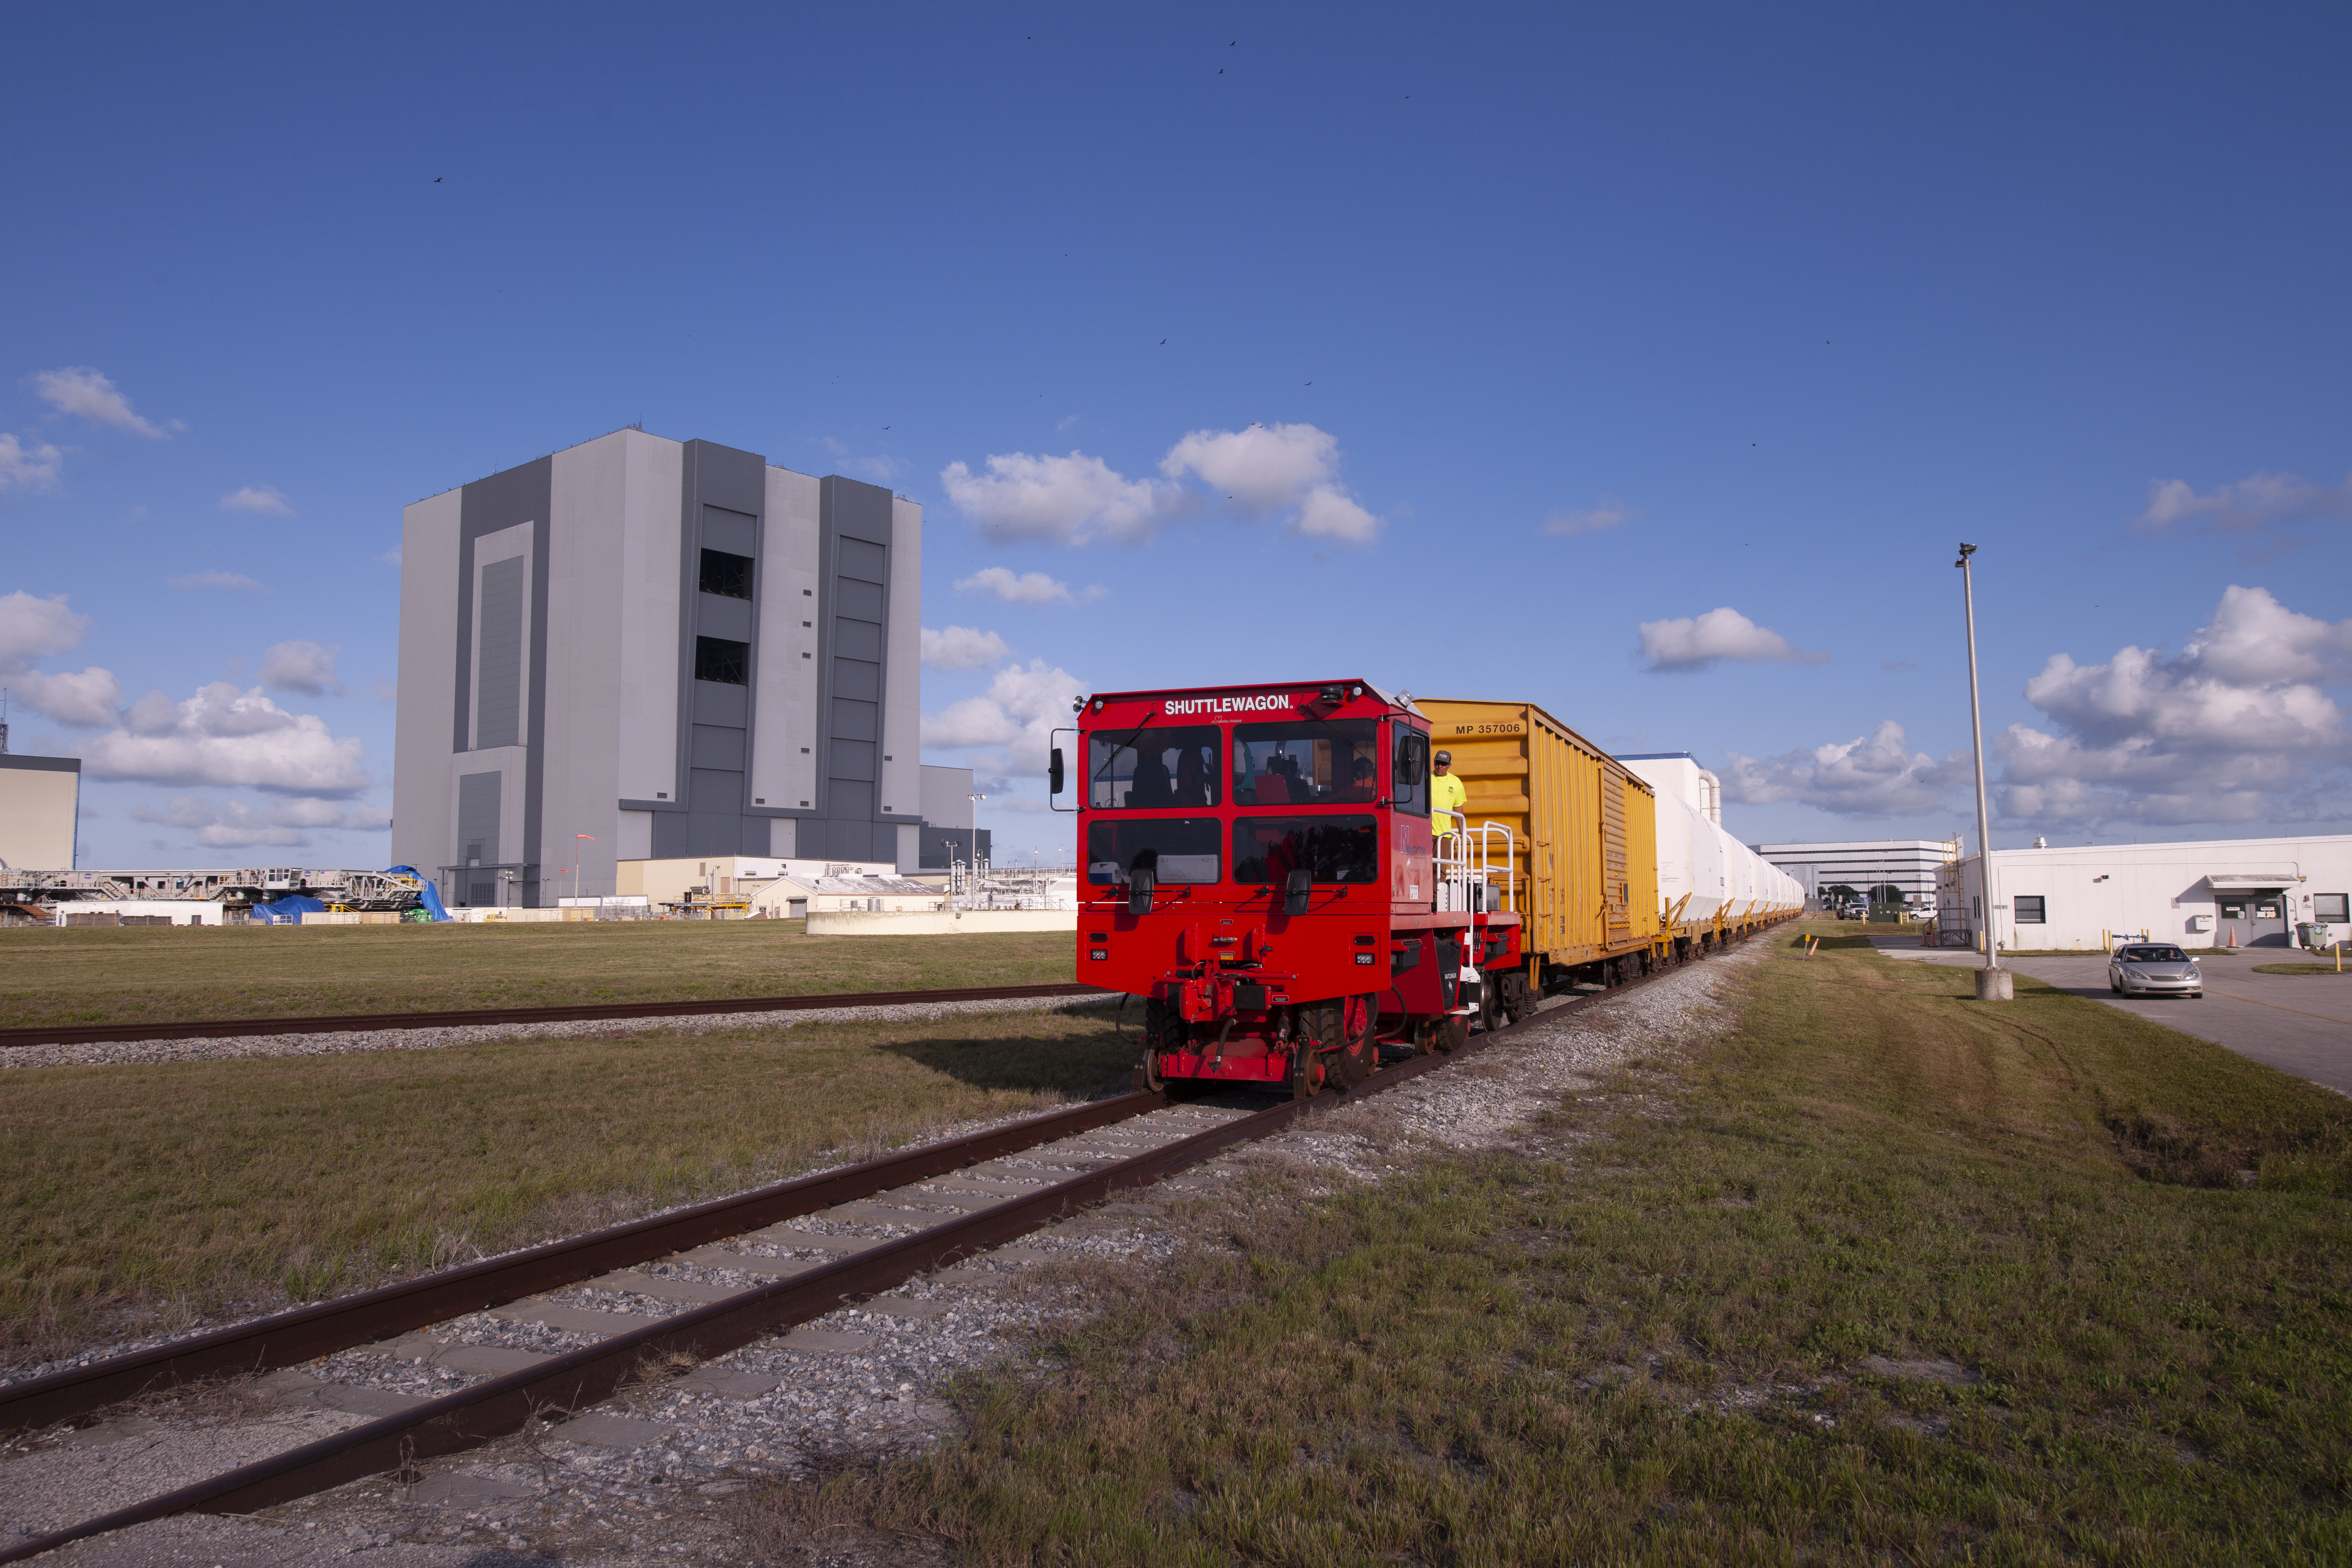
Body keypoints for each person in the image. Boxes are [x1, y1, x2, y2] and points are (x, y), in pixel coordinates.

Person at [1431, 748, 1466, 845]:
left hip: (1445, 834)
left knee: (1443, 860)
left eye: (1444, 764)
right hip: (1426, 832)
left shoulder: (1456, 782)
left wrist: (1463, 831)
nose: (1440, 766)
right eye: (1438, 763)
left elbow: (1458, 807)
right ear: (1434, 763)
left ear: (1449, 765)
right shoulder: (1426, 778)